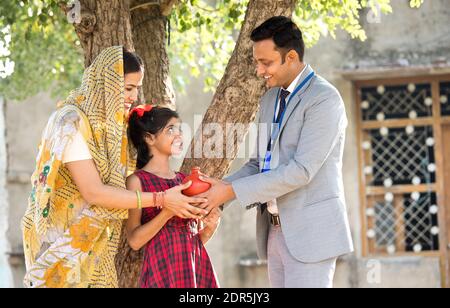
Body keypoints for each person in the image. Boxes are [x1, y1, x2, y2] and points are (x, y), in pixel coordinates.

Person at [21, 46, 208, 288]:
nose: (133, 97)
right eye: (128, 88)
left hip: (96, 244)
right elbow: (93, 192)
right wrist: (163, 199)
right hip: (60, 241)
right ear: (106, 83)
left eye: (136, 89)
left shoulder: (114, 128)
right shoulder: (71, 122)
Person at [198, 17, 354, 288]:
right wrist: (221, 189)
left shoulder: (325, 100)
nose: (259, 70)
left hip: (311, 235)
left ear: (291, 56)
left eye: (266, 63)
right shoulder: (270, 99)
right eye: (258, 62)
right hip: (273, 231)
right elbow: (260, 164)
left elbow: (301, 171)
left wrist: (230, 192)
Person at [126, 105, 220, 288]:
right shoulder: (137, 181)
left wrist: (210, 228)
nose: (179, 135)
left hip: (194, 268)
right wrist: (167, 211)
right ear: (149, 138)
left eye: (179, 129)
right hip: (162, 272)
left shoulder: (184, 181)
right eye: (170, 130)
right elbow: (134, 241)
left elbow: (192, 239)